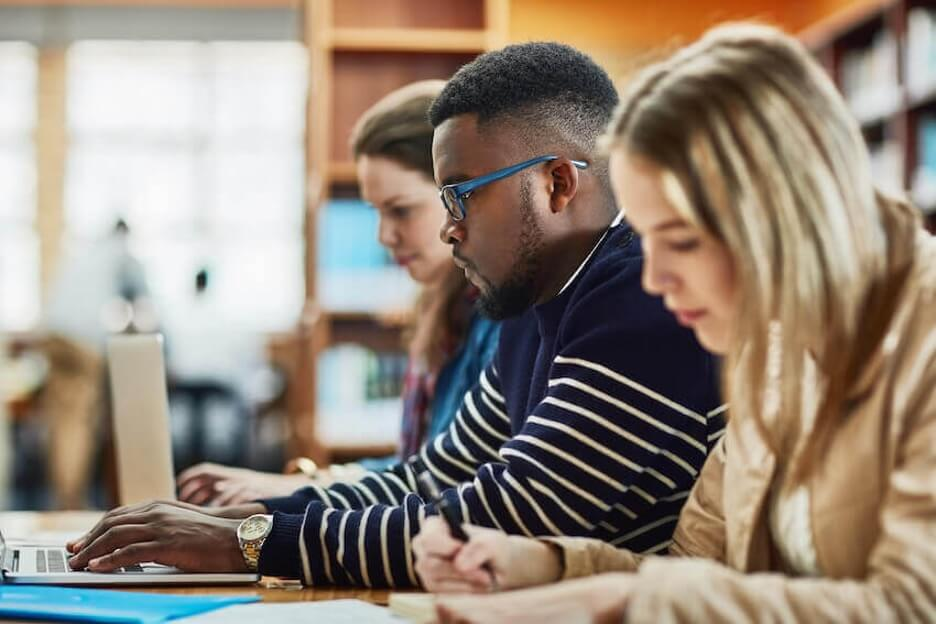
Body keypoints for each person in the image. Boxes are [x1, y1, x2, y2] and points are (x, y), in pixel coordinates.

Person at [65, 42, 723, 588]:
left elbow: (509, 514)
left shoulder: (643, 293)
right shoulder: (539, 298)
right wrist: (241, 517)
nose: (449, 231)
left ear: (556, 182)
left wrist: (248, 538)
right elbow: (434, 476)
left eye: (460, 197)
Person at [412, 23, 936, 623]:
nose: (655, 279)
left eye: (680, 241)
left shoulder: (921, 336)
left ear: (782, 215)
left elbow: (912, 607)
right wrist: (540, 564)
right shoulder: (773, 353)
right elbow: (697, 568)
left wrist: (618, 601)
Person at [174, 80, 501, 505]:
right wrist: (306, 481)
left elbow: (445, 481)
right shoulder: (441, 309)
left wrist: (299, 493)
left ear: (462, 196)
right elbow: (419, 468)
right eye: (378, 213)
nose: (384, 236)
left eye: (401, 210)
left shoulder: (495, 317)